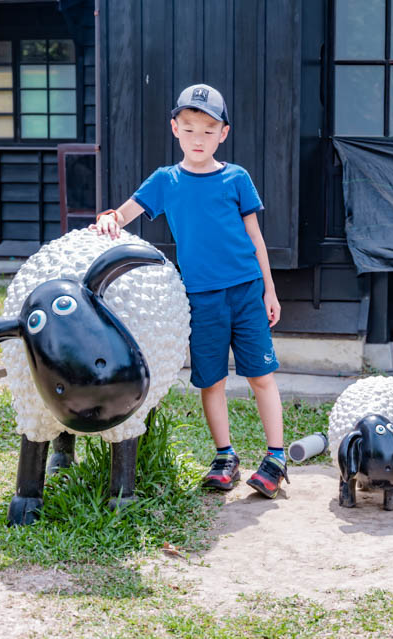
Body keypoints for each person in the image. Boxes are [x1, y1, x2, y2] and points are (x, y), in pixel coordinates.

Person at [92, 83, 288, 499]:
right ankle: (225, 457)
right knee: (211, 381)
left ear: (223, 133)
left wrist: (270, 291)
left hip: (247, 290)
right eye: (189, 128)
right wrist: (108, 218)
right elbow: (124, 214)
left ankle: (275, 458)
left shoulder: (237, 179)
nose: (198, 138)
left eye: (207, 130)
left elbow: (256, 240)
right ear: (174, 129)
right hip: (200, 296)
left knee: (261, 376)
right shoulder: (166, 181)